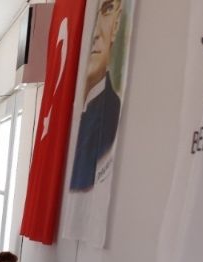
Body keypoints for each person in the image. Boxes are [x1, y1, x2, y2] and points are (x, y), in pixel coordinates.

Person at [70, 0, 126, 191]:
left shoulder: (111, 115)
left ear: (116, 23)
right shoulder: (67, 116)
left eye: (107, 10)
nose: (94, 34)